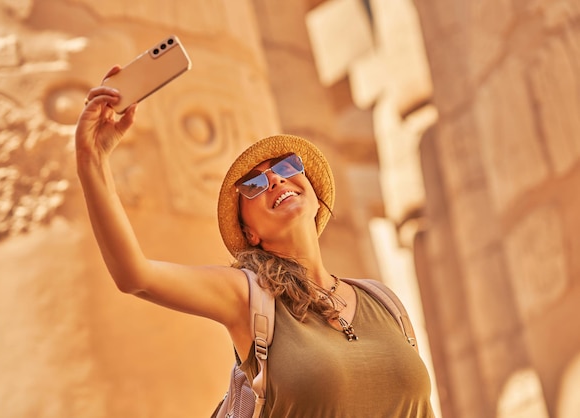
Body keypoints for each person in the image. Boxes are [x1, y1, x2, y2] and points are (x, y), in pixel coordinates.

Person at [75, 66, 436, 417]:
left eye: (285, 167)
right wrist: (92, 158)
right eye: (254, 184)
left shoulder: (383, 301)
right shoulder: (248, 296)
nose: (276, 181)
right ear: (250, 233)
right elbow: (134, 275)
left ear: (311, 190)